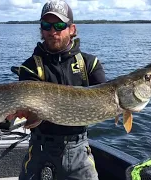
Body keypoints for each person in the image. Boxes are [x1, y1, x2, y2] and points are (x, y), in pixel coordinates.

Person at [18, 0, 106, 179]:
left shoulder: (90, 64)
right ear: (41, 29)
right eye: (46, 26)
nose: (52, 31)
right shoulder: (30, 67)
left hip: (79, 152)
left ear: (72, 29)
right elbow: (31, 115)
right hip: (40, 150)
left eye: (59, 25)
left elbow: (105, 97)